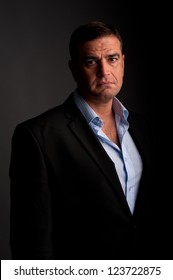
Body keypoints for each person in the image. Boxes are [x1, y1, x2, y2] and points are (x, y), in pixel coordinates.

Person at [9, 20, 169, 260]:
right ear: (74, 69)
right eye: (91, 61)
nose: (105, 72)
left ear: (123, 63)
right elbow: (30, 243)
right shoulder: (37, 136)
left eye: (112, 59)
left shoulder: (144, 128)